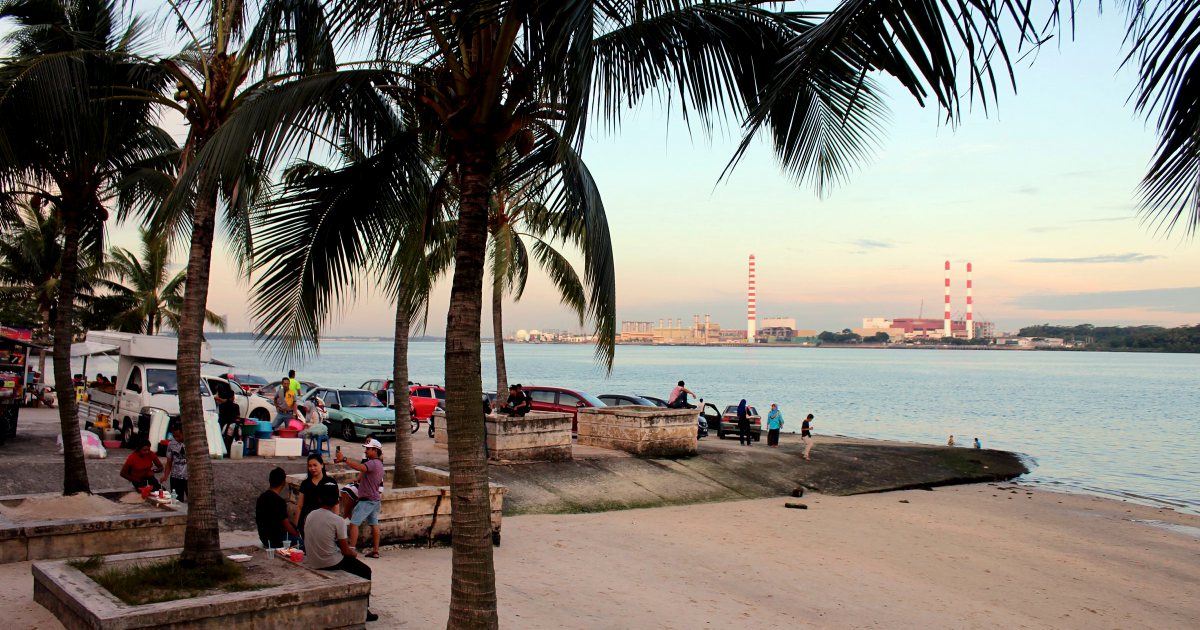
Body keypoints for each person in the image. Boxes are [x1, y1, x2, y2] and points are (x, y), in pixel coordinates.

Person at [304, 484, 379, 623]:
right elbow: (345, 550)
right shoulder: (337, 520)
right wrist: (354, 554)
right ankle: (364, 609)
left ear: (320, 499)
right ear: (337, 501)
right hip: (331, 561)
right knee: (365, 571)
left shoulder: (311, 515)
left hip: (313, 559)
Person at [336, 438, 384, 558]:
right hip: (375, 499)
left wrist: (344, 459)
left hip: (367, 500)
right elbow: (364, 471)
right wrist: (358, 479)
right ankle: (376, 551)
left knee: (354, 523)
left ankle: (351, 550)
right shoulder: (378, 463)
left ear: (375, 450)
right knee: (374, 524)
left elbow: (360, 467)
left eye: (368, 449)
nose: (366, 451)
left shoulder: (372, 463)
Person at [255, 466, 301, 548]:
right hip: (277, 540)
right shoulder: (279, 501)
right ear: (283, 482)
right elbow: (287, 526)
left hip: (264, 538)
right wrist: (297, 535)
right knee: (304, 544)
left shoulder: (261, 498)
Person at [294, 454, 338, 535]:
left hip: (324, 523)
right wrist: (295, 526)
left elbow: (335, 504)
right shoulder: (305, 483)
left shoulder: (331, 482)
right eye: (310, 466)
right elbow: (299, 506)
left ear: (322, 465)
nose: (312, 468)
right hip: (306, 522)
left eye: (315, 465)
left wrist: (336, 524)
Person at [160, 421, 189, 501]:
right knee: (176, 499)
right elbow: (169, 462)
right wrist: (165, 475)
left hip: (188, 476)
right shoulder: (171, 444)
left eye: (178, 436)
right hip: (175, 476)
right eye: (174, 436)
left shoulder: (191, 443)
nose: (176, 438)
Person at [217, 383, 242, 453]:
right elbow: (238, 418)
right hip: (231, 425)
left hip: (222, 426)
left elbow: (220, 417)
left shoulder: (221, 406)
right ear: (232, 397)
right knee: (239, 433)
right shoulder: (236, 406)